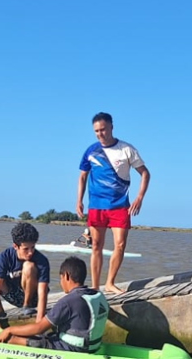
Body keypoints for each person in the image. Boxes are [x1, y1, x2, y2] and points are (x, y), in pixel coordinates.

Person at [0, 256, 111, 353]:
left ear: (67, 276)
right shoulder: (97, 295)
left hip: (73, 349)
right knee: (35, 336)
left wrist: (9, 330)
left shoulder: (69, 301)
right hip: (92, 347)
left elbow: (39, 327)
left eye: (61, 278)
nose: (61, 282)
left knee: (11, 339)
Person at [76, 112, 150, 294]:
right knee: (96, 246)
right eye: (96, 131)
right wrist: (78, 200)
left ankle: (109, 283)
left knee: (120, 245)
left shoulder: (126, 149)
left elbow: (145, 173)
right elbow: (82, 176)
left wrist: (139, 197)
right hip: (96, 206)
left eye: (103, 129)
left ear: (111, 127)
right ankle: (94, 286)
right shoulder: (90, 151)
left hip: (119, 205)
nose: (100, 134)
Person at [0, 222, 51, 335]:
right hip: (13, 294)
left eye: (33, 247)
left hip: (33, 298)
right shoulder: (5, 257)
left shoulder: (42, 260)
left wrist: (39, 324)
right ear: (15, 246)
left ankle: (27, 305)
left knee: (28, 266)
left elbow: (43, 293)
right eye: (26, 249)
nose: (31, 252)